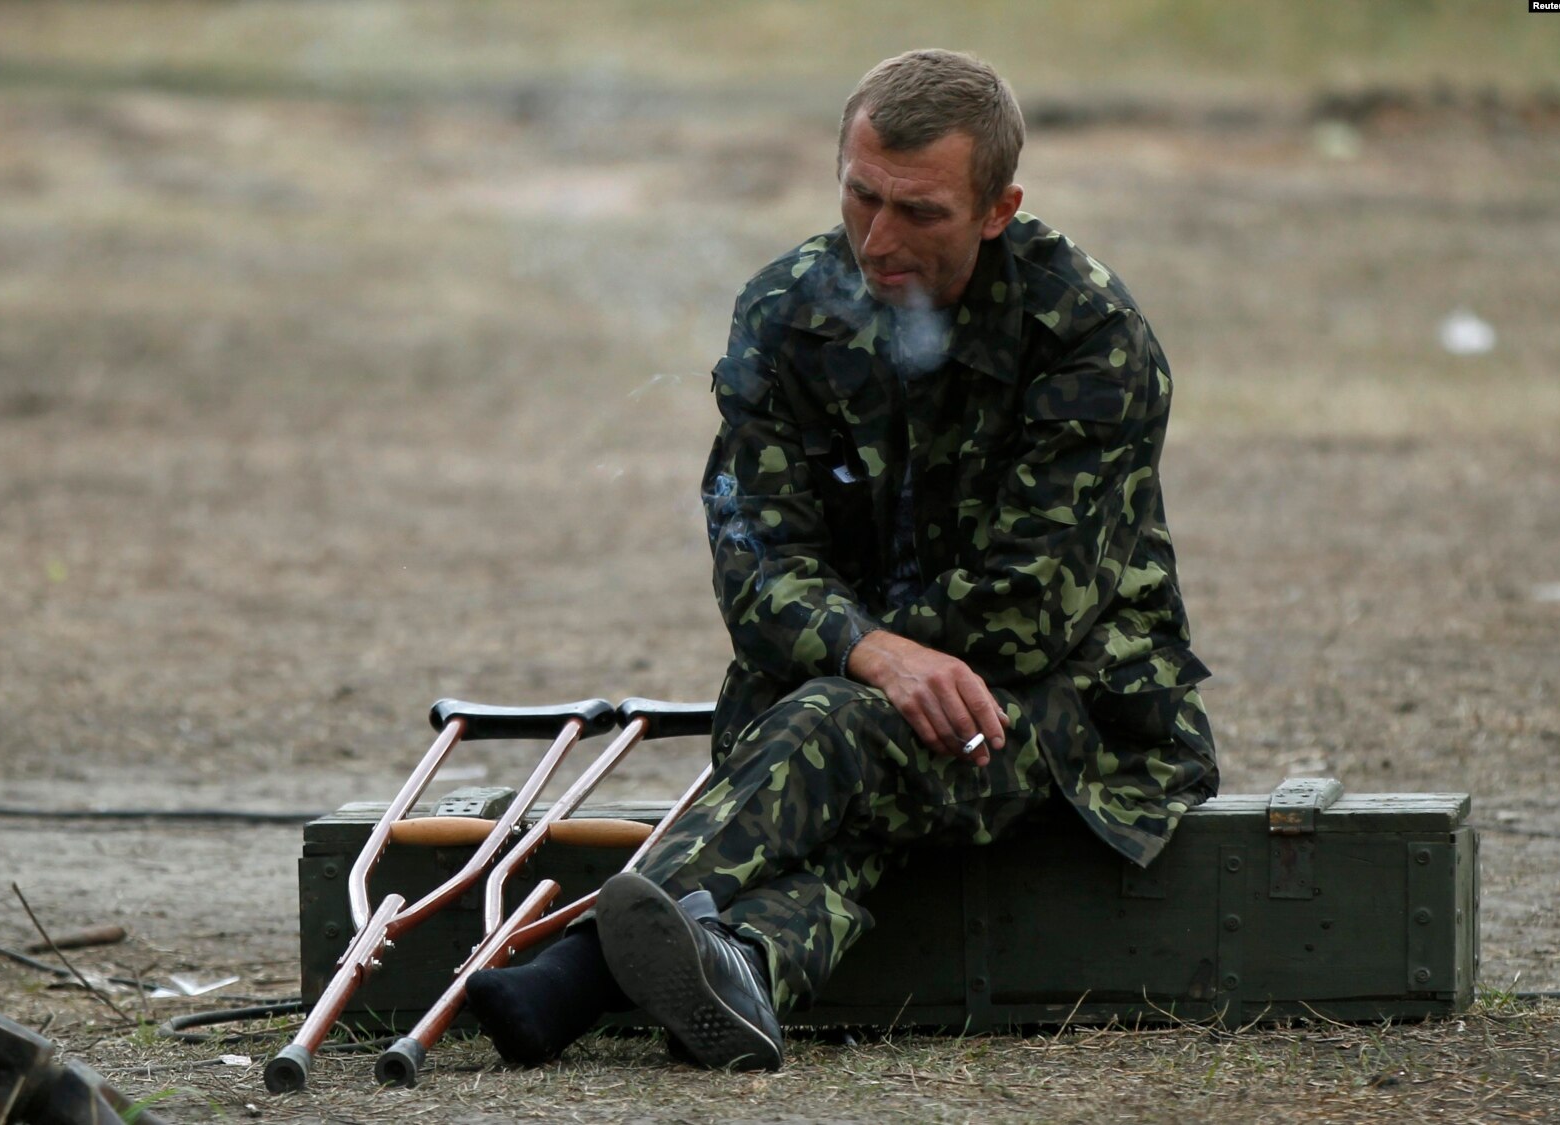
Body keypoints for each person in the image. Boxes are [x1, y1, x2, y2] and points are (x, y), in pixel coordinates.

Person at [465, 48, 1217, 1072]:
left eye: (920, 213)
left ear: (999, 210)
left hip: (1072, 714)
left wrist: (866, 664)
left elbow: (1030, 611)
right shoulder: (787, 310)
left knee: (838, 730)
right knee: (854, 770)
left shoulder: (1088, 338)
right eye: (860, 197)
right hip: (847, 709)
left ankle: (586, 965)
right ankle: (743, 968)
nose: (878, 239)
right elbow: (756, 562)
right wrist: (874, 655)